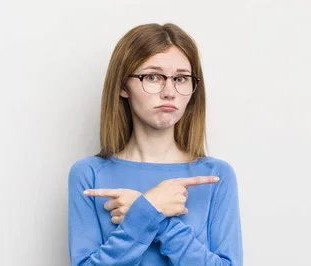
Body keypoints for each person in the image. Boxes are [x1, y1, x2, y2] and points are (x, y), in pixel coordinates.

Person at [68, 23, 243, 265]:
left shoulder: (216, 175)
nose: (169, 91)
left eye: (181, 78)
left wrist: (151, 215)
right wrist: (150, 208)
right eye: (152, 76)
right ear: (122, 86)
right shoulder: (88, 174)